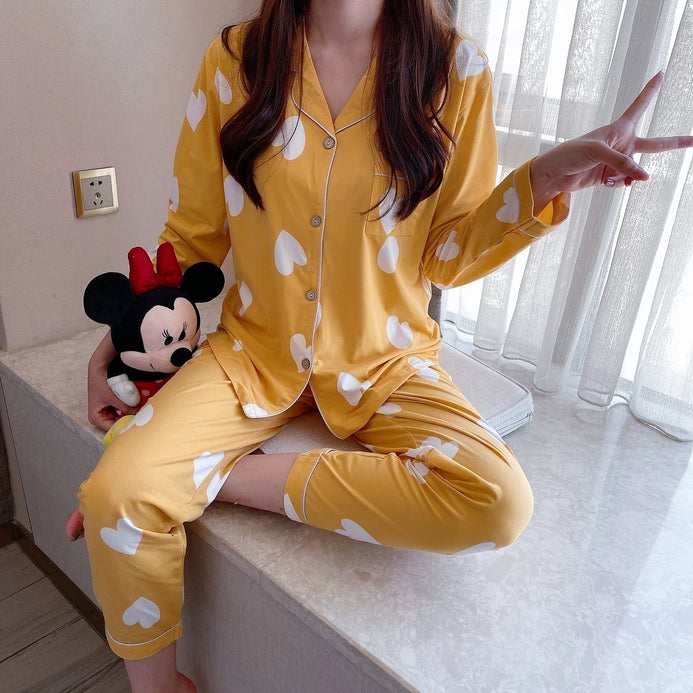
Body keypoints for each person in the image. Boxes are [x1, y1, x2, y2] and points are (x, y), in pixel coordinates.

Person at [74, 0, 693, 690]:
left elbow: (448, 254)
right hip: (253, 353)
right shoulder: (235, 61)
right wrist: (115, 342)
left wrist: (543, 180)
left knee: (498, 501)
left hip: (386, 361)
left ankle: (221, 479)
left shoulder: (456, 71)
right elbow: (191, 235)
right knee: (116, 492)